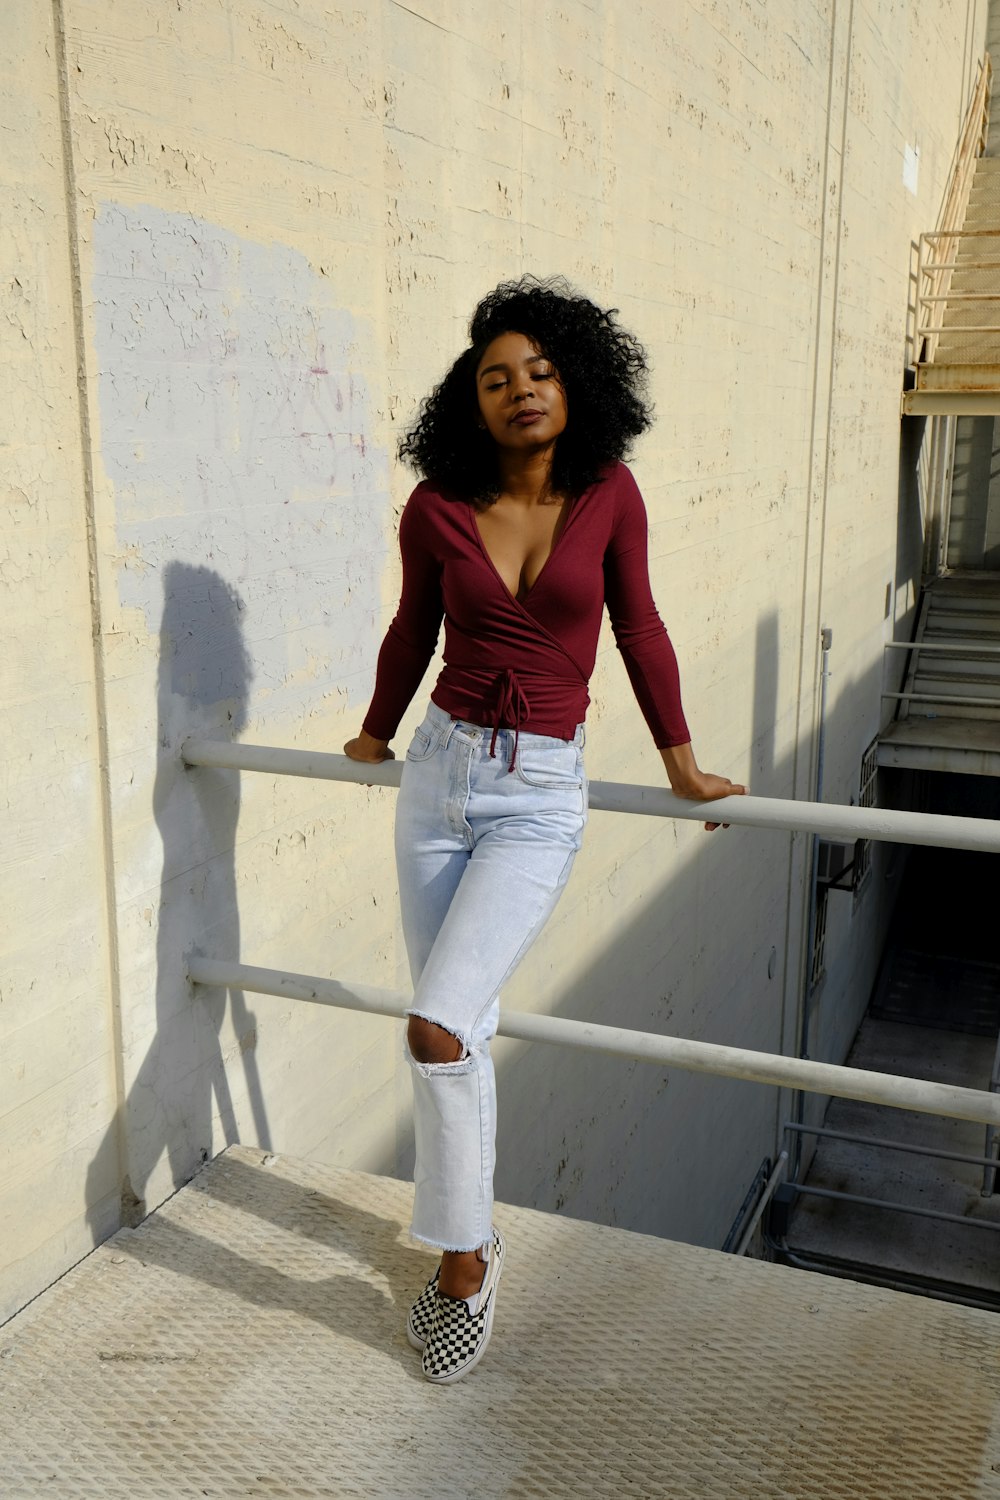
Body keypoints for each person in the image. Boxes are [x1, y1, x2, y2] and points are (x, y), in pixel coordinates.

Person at [344, 276, 746, 1384]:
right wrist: (375, 733)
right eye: (494, 378)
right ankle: (468, 1244)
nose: (519, 390)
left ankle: (464, 1265)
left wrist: (679, 762)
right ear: (467, 403)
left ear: (575, 383)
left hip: (536, 796)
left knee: (433, 1024)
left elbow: (640, 626)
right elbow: (412, 628)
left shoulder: (611, 493)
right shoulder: (434, 505)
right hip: (438, 780)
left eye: (538, 371)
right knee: (456, 1030)